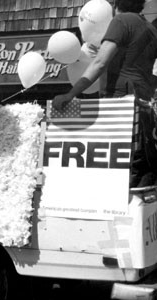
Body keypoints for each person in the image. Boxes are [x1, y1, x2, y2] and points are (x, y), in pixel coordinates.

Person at [52, 0, 157, 187]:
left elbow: (100, 62)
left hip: (120, 104)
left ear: (115, 5)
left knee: (113, 168)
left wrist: (71, 94)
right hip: (143, 105)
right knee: (139, 165)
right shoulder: (151, 29)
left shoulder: (121, 21)